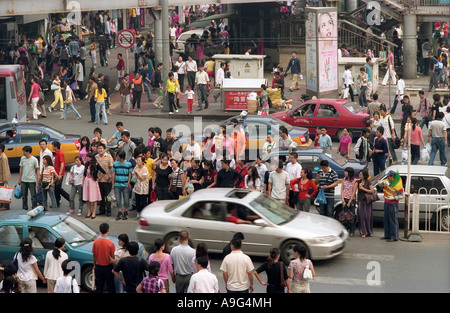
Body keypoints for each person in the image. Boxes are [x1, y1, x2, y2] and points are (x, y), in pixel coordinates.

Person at [377, 170, 404, 242]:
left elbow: (401, 196)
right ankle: (387, 235)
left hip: (393, 204)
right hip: (386, 202)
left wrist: (394, 198)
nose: (388, 177)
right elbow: (379, 184)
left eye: (389, 176)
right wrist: (382, 182)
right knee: (386, 219)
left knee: (393, 220)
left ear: (392, 177)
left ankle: (394, 236)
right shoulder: (387, 181)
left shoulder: (397, 185)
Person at [92, 223, 116, 293]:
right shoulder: (110, 243)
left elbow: (94, 255)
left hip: (98, 267)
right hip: (107, 267)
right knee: (110, 286)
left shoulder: (95, 242)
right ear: (108, 230)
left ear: (99, 230)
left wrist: (94, 265)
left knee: (99, 287)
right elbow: (112, 257)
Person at [83, 153, 105, 219]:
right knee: (87, 198)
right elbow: (84, 174)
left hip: (93, 181)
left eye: (88, 157)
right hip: (87, 181)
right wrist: (83, 182)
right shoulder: (86, 164)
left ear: (91, 158)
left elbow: (103, 172)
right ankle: (89, 211)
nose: (86, 158)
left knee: (94, 198)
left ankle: (94, 212)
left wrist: (99, 178)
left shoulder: (96, 165)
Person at [112, 150, 133, 220]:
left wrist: (128, 183)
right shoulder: (115, 164)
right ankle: (119, 212)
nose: (116, 157)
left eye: (117, 156)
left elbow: (130, 174)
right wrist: (113, 183)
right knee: (118, 199)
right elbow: (113, 174)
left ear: (121, 157)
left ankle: (126, 212)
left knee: (126, 199)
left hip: (125, 184)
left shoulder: (128, 164)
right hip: (117, 184)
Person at [18, 146, 40, 211]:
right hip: (23, 180)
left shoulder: (34, 159)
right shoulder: (22, 158)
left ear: (28, 152)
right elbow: (21, 168)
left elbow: (37, 169)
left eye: (24, 151)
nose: (23, 153)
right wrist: (20, 178)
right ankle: (25, 208)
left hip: (31, 180)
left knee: (33, 196)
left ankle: (34, 207)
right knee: (24, 196)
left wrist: (39, 178)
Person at [96, 143, 114, 216]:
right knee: (100, 196)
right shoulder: (96, 157)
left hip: (107, 180)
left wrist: (112, 180)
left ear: (104, 149)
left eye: (101, 148)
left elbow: (112, 169)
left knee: (108, 197)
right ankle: (102, 210)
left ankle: (109, 210)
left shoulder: (109, 157)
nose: (99, 150)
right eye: (98, 148)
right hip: (99, 180)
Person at [357, 169, 374, 238]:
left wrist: (363, 189)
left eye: (361, 174)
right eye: (359, 174)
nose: (360, 176)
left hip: (367, 200)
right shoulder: (359, 182)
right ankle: (363, 232)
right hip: (361, 200)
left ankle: (369, 231)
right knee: (361, 216)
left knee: (368, 216)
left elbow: (372, 191)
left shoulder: (368, 182)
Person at [341, 167, 358, 236]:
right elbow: (342, 190)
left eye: (346, 172)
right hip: (345, 198)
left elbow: (354, 191)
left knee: (352, 216)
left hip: (351, 199)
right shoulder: (344, 179)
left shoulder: (355, 181)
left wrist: (350, 201)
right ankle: (345, 230)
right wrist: (343, 200)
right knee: (344, 216)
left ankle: (352, 231)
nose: (345, 173)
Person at [0, 143, 11, 210]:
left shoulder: (3, 157)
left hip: (2, 178)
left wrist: (5, 179)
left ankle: (6, 205)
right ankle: (2, 204)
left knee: (4, 192)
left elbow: (5, 169)